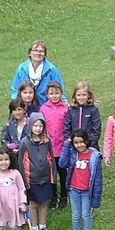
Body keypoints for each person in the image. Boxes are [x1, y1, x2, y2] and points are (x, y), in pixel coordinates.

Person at [57, 130, 104, 230]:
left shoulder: (94, 156)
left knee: (86, 214)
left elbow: (98, 179)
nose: (79, 145)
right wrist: (67, 144)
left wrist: (96, 197)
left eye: (81, 142)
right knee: (76, 214)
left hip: (87, 191)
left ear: (86, 141)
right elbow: (62, 164)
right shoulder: (73, 154)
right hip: (74, 189)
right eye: (76, 143)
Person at [18, 113, 54, 230]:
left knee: (44, 202)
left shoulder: (47, 141)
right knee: (33, 204)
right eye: (35, 125)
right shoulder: (24, 143)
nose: (38, 128)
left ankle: (43, 226)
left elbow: (51, 159)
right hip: (31, 179)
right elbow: (21, 163)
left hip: (45, 178)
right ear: (30, 126)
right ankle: (34, 228)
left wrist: (53, 175)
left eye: (40, 126)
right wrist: (24, 181)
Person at [40, 81, 69, 209]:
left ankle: (64, 195)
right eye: (51, 93)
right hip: (49, 148)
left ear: (61, 93)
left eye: (57, 93)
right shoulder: (43, 109)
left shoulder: (66, 108)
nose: (54, 96)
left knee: (63, 173)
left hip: (62, 147)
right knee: (51, 174)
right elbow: (41, 127)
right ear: (46, 94)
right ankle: (53, 196)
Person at [9, 40, 65, 105]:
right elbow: (15, 88)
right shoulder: (21, 68)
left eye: (41, 51)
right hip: (25, 105)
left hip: (45, 106)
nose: (38, 53)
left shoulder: (52, 69)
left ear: (45, 55)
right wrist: (17, 104)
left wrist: (63, 101)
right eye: (35, 50)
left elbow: (60, 87)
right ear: (30, 53)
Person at [63, 81, 102, 149]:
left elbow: (96, 130)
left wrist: (88, 144)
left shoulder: (93, 110)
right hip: (74, 147)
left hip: (90, 147)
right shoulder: (71, 110)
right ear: (75, 95)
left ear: (89, 95)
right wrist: (72, 143)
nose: (81, 97)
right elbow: (67, 128)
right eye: (78, 95)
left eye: (84, 95)